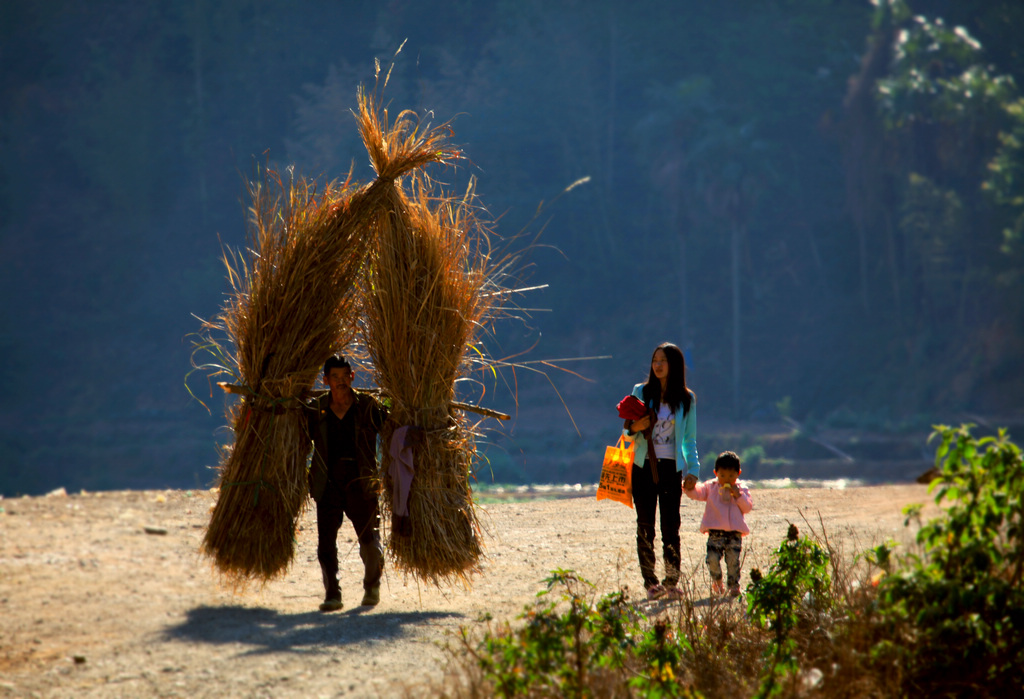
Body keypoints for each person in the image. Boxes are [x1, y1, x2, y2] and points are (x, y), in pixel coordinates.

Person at [305, 355, 388, 611]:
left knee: (370, 543)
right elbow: (298, 441)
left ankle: (372, 585)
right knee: (326, 544)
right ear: (326, 380)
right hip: (327, 483)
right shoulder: (315, 410)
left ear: (352, 377)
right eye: (335, 378)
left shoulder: (368, 407)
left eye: (345, 377)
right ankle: (333, 594)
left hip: (361, 482)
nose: (341, 382)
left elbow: (392, 430)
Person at [623, 342, 700, 600]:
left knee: (671, 527)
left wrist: (694, 470)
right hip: (643, 466)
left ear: (674, 365)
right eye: (655, 360)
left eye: (663, 360)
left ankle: (671, 581)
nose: (657, 365)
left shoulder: (687, 399)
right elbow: (626, 431)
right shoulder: (640, 391)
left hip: (671, 469)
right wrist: (637, 426)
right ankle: (651, 583)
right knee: (645, 526)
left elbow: (689, 440)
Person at [684, 450, 753, 597]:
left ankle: (733, 586)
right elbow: (698, 493)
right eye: (722, 475)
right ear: (716, 473)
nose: (726, 479)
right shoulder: (711, 487)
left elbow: (747, 507)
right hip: (715, 532)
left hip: (734, 533)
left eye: (731, 476)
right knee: (712, 559)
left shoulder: (741, 489)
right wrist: (688, 487)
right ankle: (717, 582)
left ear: (738, 473)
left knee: (733, 561)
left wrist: (738, 495)